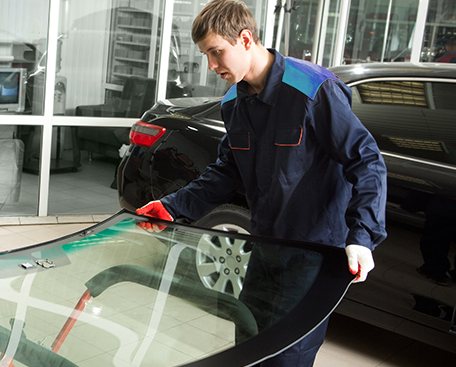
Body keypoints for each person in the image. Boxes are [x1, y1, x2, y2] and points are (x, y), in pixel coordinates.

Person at [136, 0, 387, 365]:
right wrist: (173, 207)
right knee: (248, 341)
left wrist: (362, 236)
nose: (211, 65)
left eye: (217, 52)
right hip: (265, 245)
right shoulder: (235, 103)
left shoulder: (312, 90)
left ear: (246, 39)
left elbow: (366, 160)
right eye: (206, 55)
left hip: (313, 253)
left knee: (287, 355)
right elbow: (227, 171)